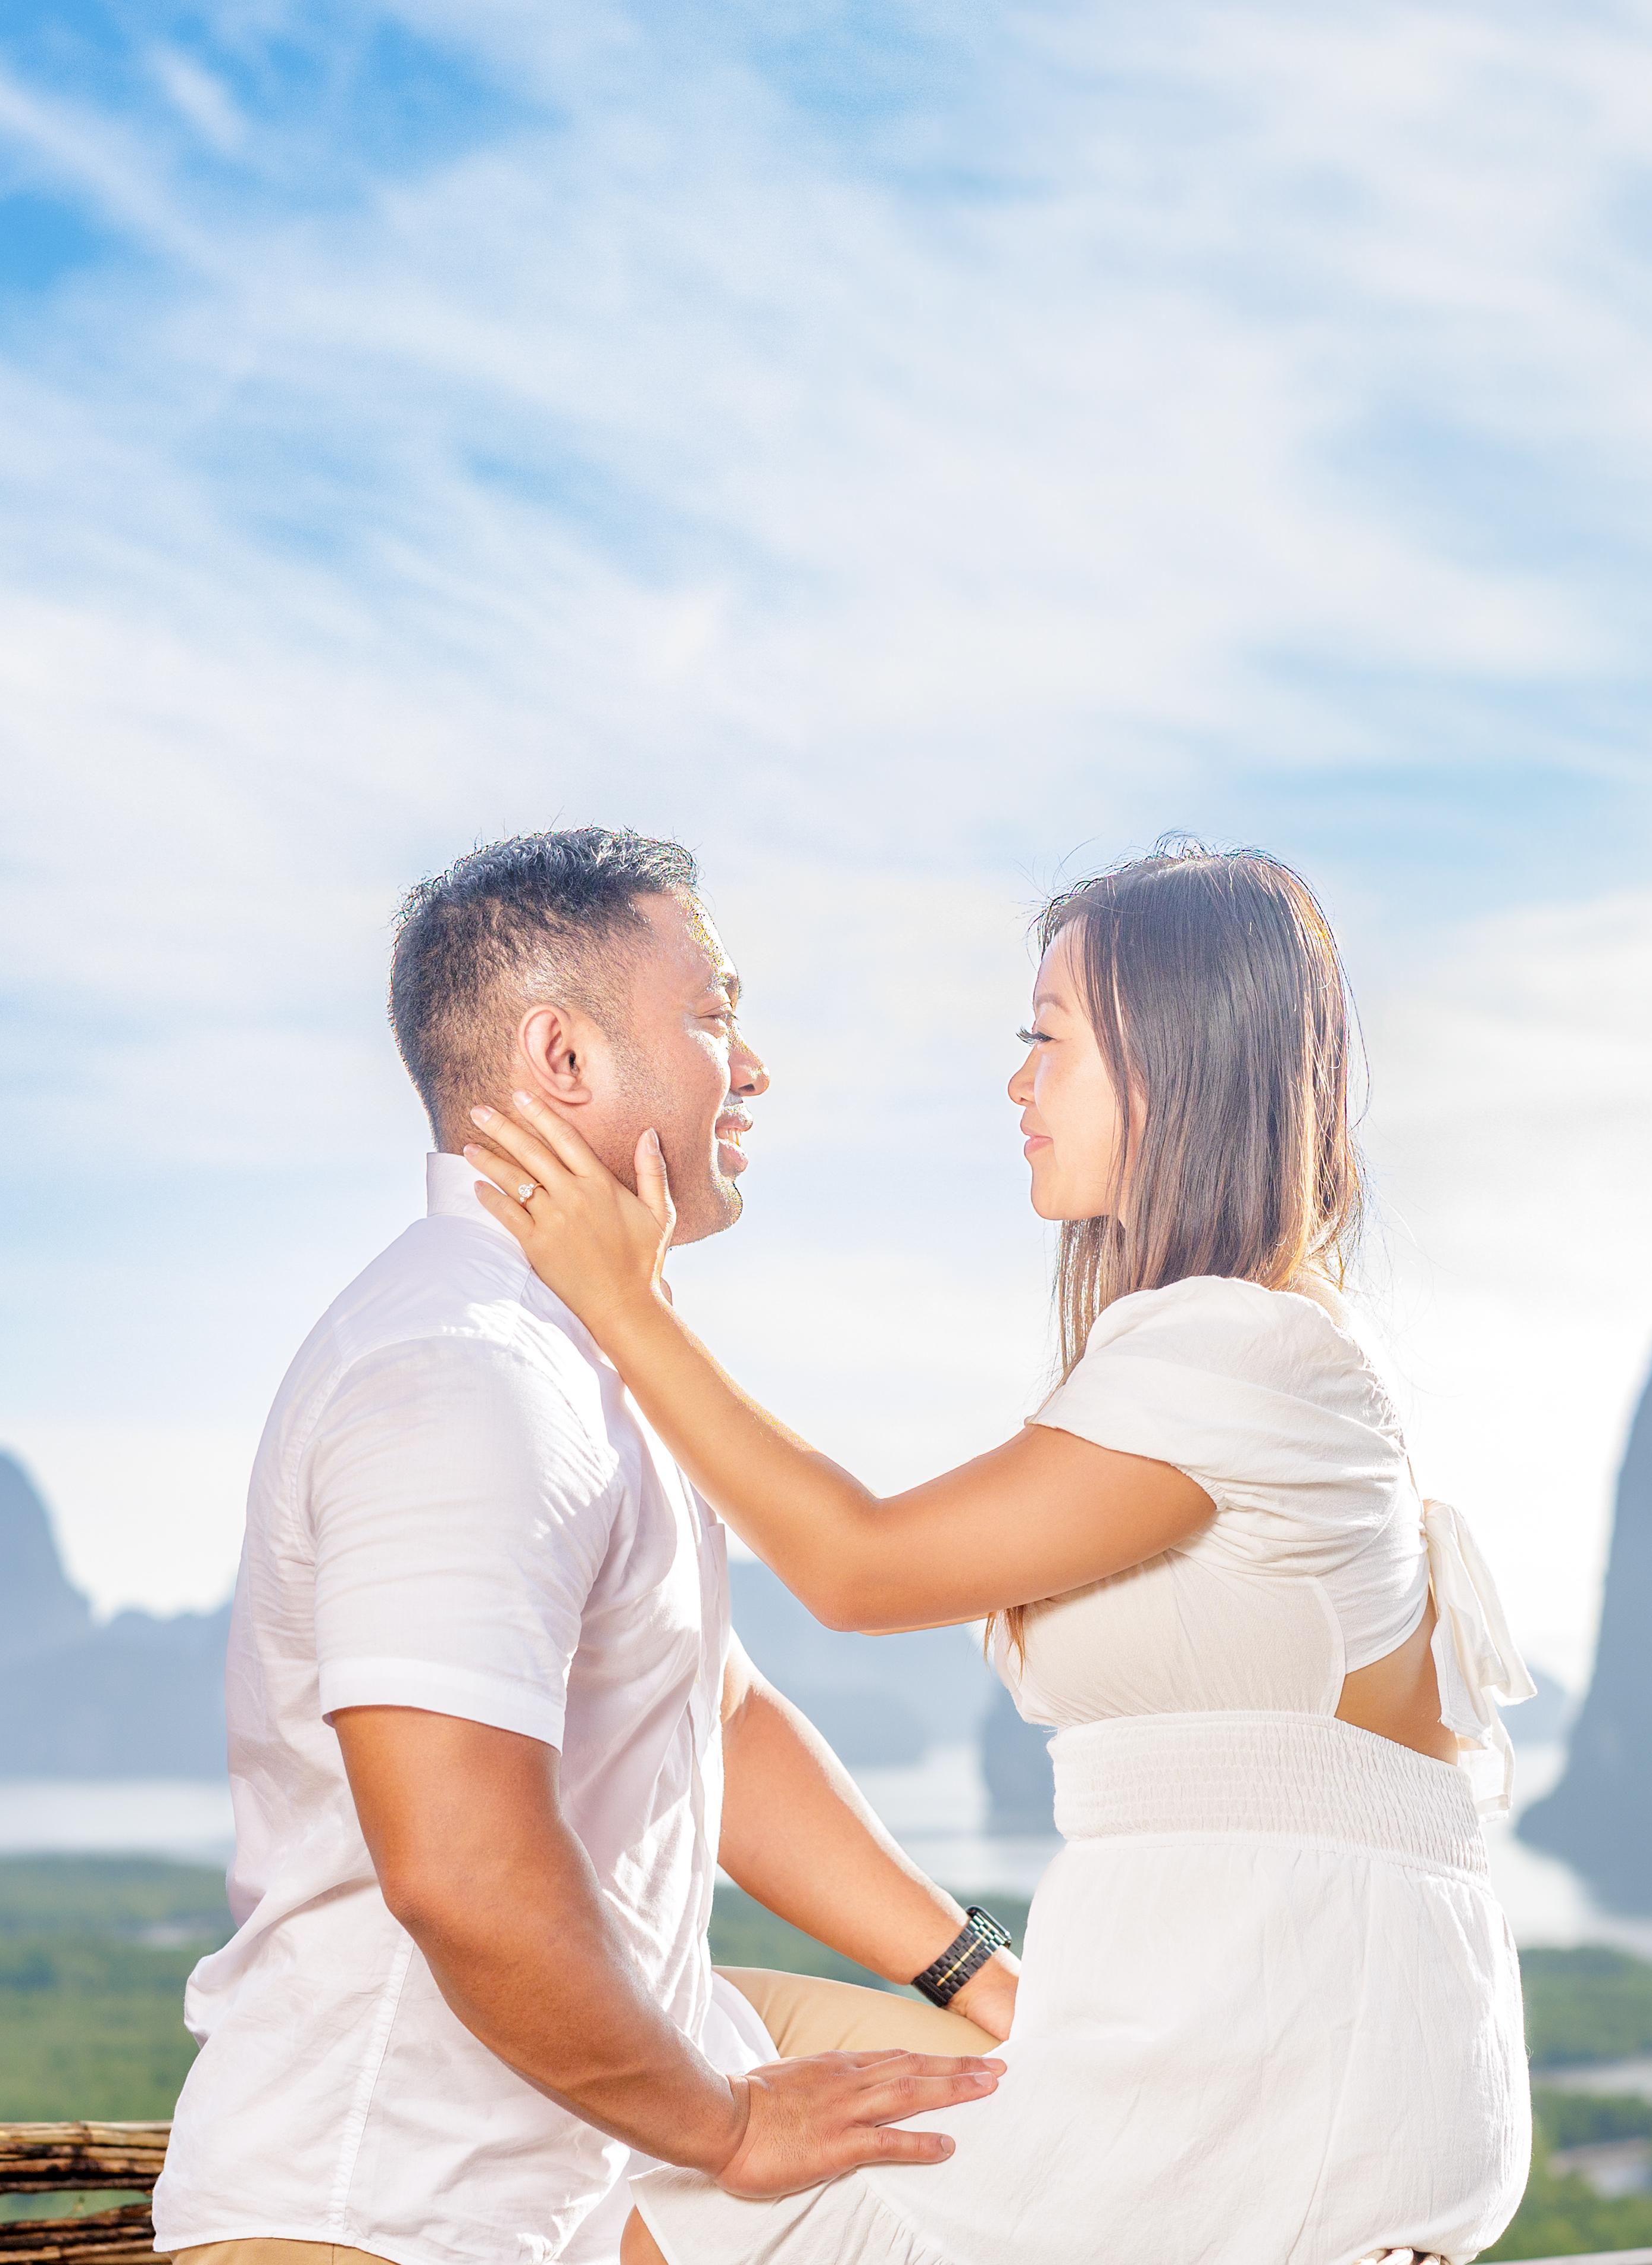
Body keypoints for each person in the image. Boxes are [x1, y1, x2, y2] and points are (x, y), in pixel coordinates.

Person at [465, 842, 1539, 2265]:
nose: (1017, 1085)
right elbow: (725, 1698)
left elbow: (857, 1568)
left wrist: (620, 1299)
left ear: (1175, 1066)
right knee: (668, 2026)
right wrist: (979, 1972)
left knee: (662, 2206)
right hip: (1235, 2052)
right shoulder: (1252, 1342)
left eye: (1049, 1042)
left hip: (1260, 2098)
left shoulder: (1240, 1348)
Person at [151, 827, 1025, 2265]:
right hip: (376, 2216)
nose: (750, 1068)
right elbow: (457, 1868)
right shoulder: (463, 1374)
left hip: (557, 2198)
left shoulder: (577, 1360)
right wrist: (729, 2127)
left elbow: (708, 1708)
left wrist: (971, 1967)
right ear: (563, 1061)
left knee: (1037, 2125)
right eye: (712, 1014)